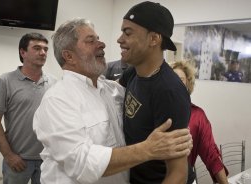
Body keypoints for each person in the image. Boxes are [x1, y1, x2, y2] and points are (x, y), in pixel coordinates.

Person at [33, 18, 193, 184]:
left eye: (98, 38)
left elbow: (146, 105)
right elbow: (82, 163)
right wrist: (148, 149)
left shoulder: (111, 90)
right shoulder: (57, 100)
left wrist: (178, 130)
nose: (101, 44)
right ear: (69, 56)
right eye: (91, 41)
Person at [117, 2, 191, 184]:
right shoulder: (133, 72)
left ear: (153, 39)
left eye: (128, 33)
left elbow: (178, 174)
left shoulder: (169, 91)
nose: (119, 39)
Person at [0, 33, 57, 184]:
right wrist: (9, 155)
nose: (43, 53)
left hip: (48, 158)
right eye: (37, 48)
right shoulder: (5, 81)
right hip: (18, 160)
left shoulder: (54, 82)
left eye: (45, 49)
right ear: (22, 52)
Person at [170, 61, 229, 184]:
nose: (175, 84)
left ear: (187, 85)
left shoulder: (198, 116)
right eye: (171, 79)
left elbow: (211, 155)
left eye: (180, 80)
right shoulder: (155, 110)